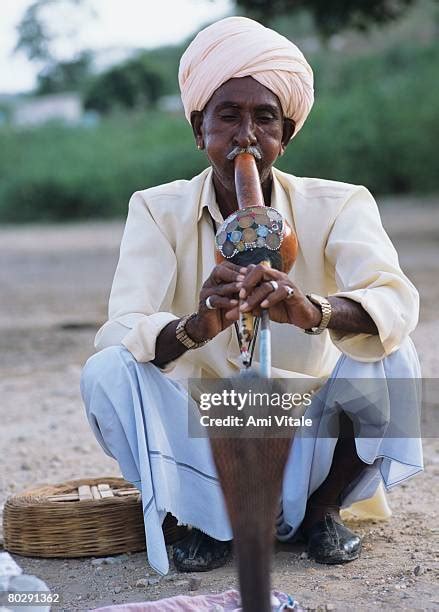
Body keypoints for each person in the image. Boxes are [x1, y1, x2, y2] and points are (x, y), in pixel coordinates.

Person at [80, 16, 423, 575]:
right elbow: (122, 328)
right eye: (228, 117)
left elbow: (397, 300)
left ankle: (322, 511)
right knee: (106, 370)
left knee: (395, 350)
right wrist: (195, 326)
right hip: (207, 430)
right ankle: (202, 519)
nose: (245, 137)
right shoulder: (155, 208)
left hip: (304, 430)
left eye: (264, 119)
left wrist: (316, 311)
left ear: (284, 138)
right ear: (199, 130)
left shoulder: (338, 203)